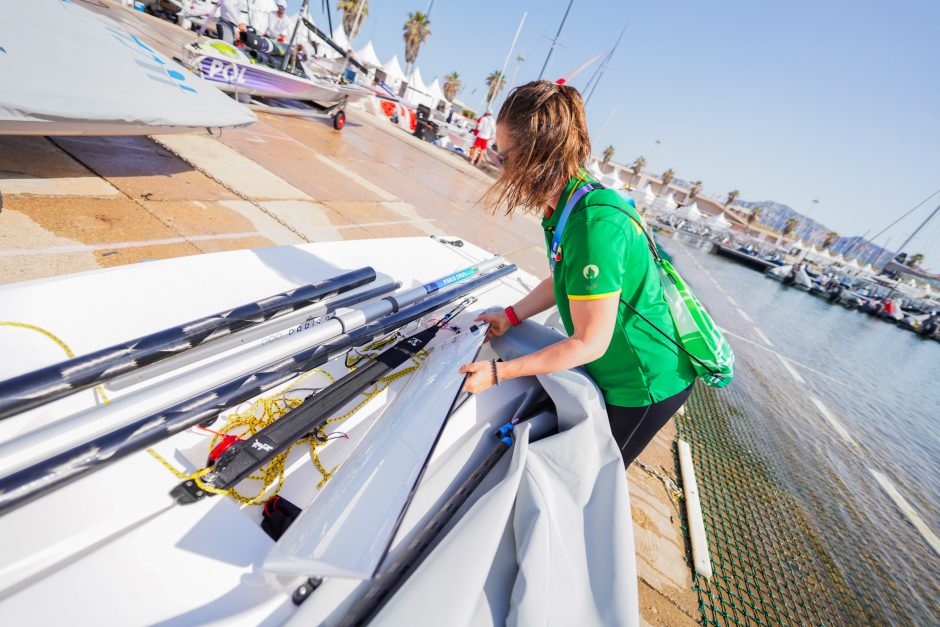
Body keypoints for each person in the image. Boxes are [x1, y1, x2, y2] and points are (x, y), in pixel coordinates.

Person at [459, 80, 696, 467]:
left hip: (645, 383)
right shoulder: (568, 203)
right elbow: (564, 280)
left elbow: (589, 343)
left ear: (535, 152)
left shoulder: (592, 223)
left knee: (590, 476)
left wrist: (499, 372)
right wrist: (511, 315)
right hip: (617, 366)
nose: (499, 166)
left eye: (503, 157)